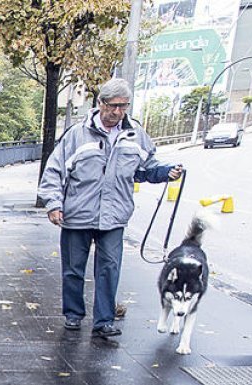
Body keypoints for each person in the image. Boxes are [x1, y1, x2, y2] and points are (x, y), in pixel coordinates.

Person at [37, 77, 183, 338]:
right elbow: (54, 171)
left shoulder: (135, 135)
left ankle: (104, 321)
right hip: (77, 213)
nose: (118, 112)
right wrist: (53, 204)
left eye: (124, 106)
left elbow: (146, 168)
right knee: (73, 269)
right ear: (100, 103)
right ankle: (73, 314)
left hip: (114, 216)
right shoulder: (77, 135)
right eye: (113, 105)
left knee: (109, 269)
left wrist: (165, 172)